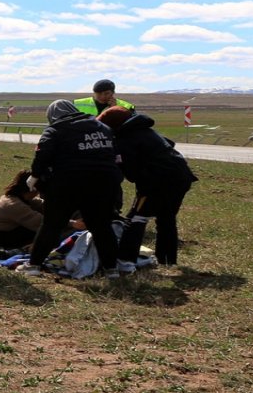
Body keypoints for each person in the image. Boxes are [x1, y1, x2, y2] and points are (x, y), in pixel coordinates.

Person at [20, 100, 123, 278]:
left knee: (52, 225)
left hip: (67, 184)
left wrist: (35, 176)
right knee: (101, 227)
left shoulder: (55, 130)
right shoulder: (102, 127)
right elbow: (117, 156)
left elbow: (42, 155)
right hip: (103, 183)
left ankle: (34, 265)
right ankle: (111, 269)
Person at [97, 106, 198, 266]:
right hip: (181, 177)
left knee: (136, 218)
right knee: (166, 217)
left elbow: (131, 173)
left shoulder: (125, 139)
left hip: (157, 181)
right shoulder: (146, 131)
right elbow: (170, 143)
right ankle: (167, 260)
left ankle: (125, 261)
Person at [0, 170, 44, 252]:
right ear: (33, 188)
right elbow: (43, 224)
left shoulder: (15, 198)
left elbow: (42, 204)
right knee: (34, 232)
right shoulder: (15, 205)